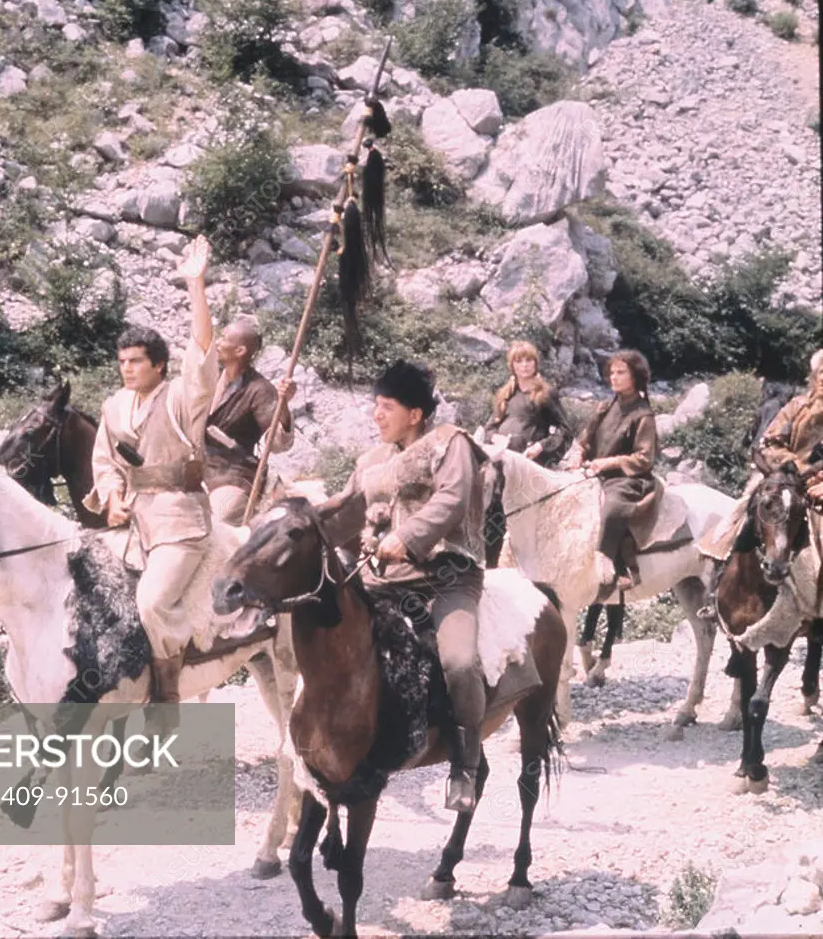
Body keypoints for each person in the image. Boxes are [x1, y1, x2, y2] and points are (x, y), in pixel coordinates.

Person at [318, 360, 539, 814]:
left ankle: (466, 762)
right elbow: (346, 513)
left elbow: (453, 499)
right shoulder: (372, 460)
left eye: (386, 407)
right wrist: (297, 525)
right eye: (375, 406)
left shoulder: (450, 443)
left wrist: (408, 536)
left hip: (447, 577)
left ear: (415, 413)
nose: (376, 415)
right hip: (385, 580)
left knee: (458, 661)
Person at [83, 235, 217, 731]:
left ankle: (167, 694)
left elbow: (203, 353)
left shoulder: (182, 397)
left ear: (158, 364)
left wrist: (196, 286)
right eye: (122, 362)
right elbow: (104, 463)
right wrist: (114, 498)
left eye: (136, 361)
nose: (128, 369)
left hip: (180, 521)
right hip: (132, 520)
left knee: (154, 601)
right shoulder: (114, 407)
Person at [701, 352, 823, 564]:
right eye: (822, 372)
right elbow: (771, 441)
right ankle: (719, 566)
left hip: (819, 489)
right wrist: (797, 467)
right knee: (747, 512)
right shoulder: (797, 406)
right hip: (787, 476)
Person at [569, 349, 658, 593]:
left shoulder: (644, 415)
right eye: (612, 372)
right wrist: (579, 454)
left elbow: (644, 458)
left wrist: (607, 463)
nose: (614, 377)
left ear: (635, 376)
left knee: (612, 508)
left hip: (627, 479)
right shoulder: (605, 406)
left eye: (621, 372)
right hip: (595, 472)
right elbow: (585, 439)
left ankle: (615, 569)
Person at [205, 318, 296, 525]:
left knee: (220, 518)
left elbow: (278, 444)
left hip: (233, 473)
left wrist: (283, 406)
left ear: (240, 351)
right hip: (197, 466)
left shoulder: (259, 389)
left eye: (224, 338)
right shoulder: (210, 378)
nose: (217, 343)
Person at [485, 340, 572, 466]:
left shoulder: (545, 394)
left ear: (535, 363)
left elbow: (565, 430)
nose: (524, 365)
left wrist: (540, 446)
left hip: (529, 461)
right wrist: (495, 438)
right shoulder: (505, 394)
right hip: (501, 458)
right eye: (519, 361)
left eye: (529, 360)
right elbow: (489, 428)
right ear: (512, 365)